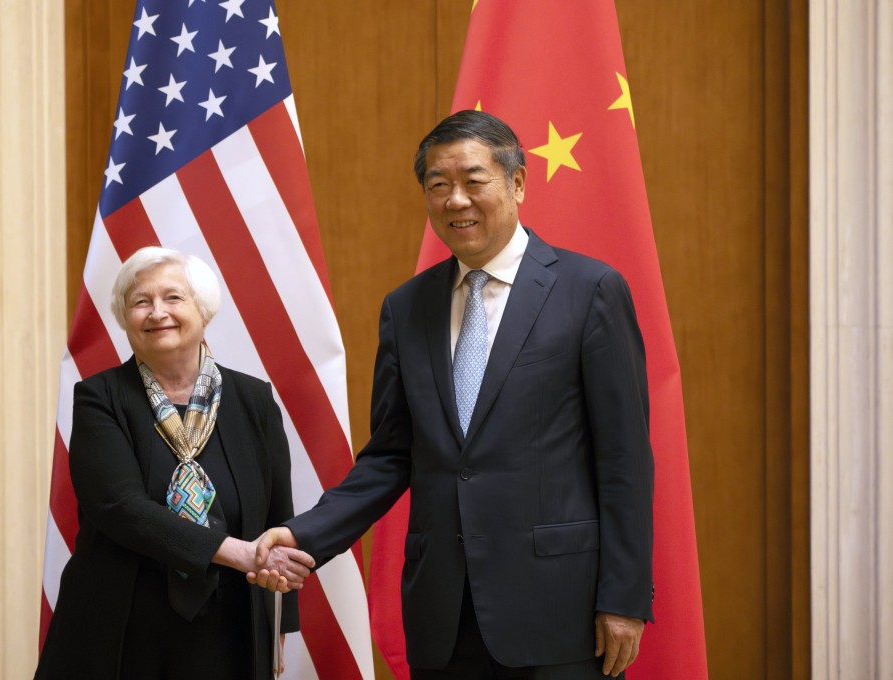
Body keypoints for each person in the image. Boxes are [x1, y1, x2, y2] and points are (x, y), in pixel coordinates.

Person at [251, 111, 655, 679]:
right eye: (438, 186)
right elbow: (391, 456)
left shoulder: (589, 291)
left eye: (473, 180)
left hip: (558, 610)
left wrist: (625, 597)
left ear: (516, 184)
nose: (456, 200)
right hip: (442, 615)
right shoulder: (406, 307)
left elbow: (624, 461)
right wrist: (304, 535)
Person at [36, 246, 314, 679]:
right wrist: (236, 553)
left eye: (173, 298)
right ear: (126, 317)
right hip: (121, 627)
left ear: (204, 311)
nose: (156, 312)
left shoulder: (253, 400)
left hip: (234, 627)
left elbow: (279, 515)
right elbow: (121, 509)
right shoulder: (98, 398)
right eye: (140, 301)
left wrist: (280, 623)